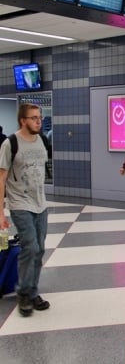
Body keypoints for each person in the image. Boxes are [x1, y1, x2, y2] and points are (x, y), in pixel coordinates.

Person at [0, 103, 50, 317]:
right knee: (29, 245)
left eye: (39, 117)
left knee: (39, 250)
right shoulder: (9, 143)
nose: (38, 121)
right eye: (33, 118)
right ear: (23, 120)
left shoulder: (42, 140)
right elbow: (1, 178)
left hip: (41, 203)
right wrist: (1, 212)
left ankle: (32, 291)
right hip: (20, 203)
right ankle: (23, 293)